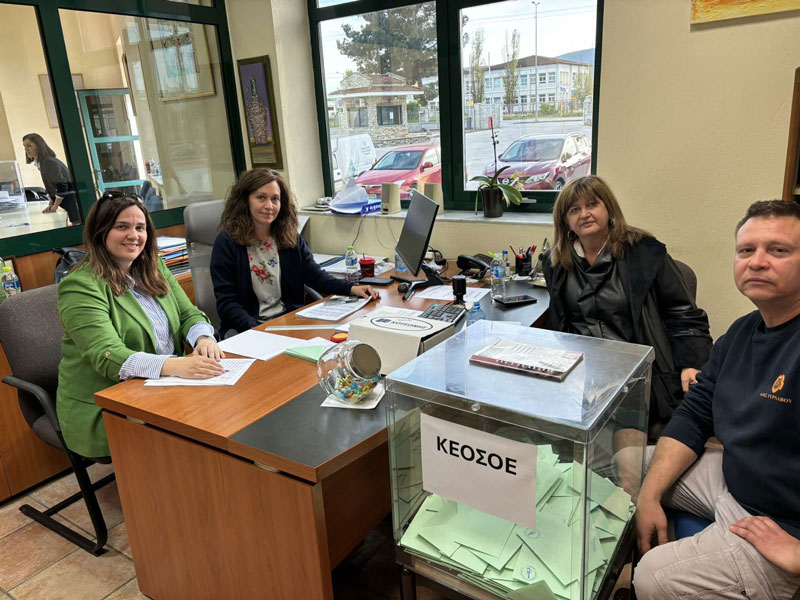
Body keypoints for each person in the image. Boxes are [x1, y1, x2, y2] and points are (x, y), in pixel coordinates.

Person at [633, 200, 800, 599]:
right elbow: (694, 414)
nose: (757, 262)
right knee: (625, 464)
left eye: (778, 250)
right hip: (737, 481)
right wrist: (649, 496)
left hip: (781, 525)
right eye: (746, 250)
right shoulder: (743, 331)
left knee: (652, 578)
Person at [57, 192, 225, 459]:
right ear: (100, 232)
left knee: (222, 418)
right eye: (121, 226)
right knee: (200, 442)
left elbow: (188, 314)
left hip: (163, 387)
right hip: (108, 404)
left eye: (140, 227)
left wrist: (203, 339)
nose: (133, 235)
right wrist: (176, 366)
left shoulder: (153, 265)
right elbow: (108, 356)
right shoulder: (80, 286)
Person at [542, 175, 712, 439]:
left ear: (608, 208)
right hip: (583, 374)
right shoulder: (557, 263)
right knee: (539, 425)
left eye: (592, 204)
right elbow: (560, 326)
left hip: (638, 374)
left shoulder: (644, 253)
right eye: (574, 210)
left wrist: (691, 363)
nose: (584, 214)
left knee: (624, 441)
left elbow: (683, 313)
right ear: (565, 221)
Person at [211, 168, 379, 337]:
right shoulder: (227, 243)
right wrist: (257, 331)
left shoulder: (288, 237)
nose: (269, 206)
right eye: (261, 197)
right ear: (245, 200)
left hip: (289, 323)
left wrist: (352, 288)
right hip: (249, 330)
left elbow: (315, 276)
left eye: (275, 199)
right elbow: (227, 303)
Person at [22, 133, 81, 225]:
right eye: (24, 146)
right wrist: (51, 203)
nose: (26, 149)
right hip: (68, 202)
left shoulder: (48, 162)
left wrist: (55, 206)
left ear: (39, 146)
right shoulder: (43, 162)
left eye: (29, 146)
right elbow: (50, 185)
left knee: (77, 226)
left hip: (72, 202)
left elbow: (62, 186)